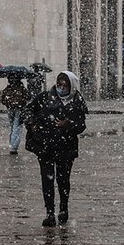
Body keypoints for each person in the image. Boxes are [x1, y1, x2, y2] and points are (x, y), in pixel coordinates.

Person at [25, 71, 88, 227]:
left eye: (65, 85)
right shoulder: (45, 97)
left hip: (66, 147)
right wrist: (32, 124)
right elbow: (28, 111)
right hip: (45, 145)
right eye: (59, 84)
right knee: (47, 179)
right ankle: (49, 213)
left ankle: (63, 209)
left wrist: (68, 125)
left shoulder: (78, 101)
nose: (61, 87)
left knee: (63, 180)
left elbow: (81, 125)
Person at [1, 75, 29, 155]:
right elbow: (28, 97)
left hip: (10, 109)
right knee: (17, 127)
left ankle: (12, 144)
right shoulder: (22, 88)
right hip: (19, 109)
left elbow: (2, 100)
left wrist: (8, 103)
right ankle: (14, 147)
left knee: (13, 127)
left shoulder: (7, 89)